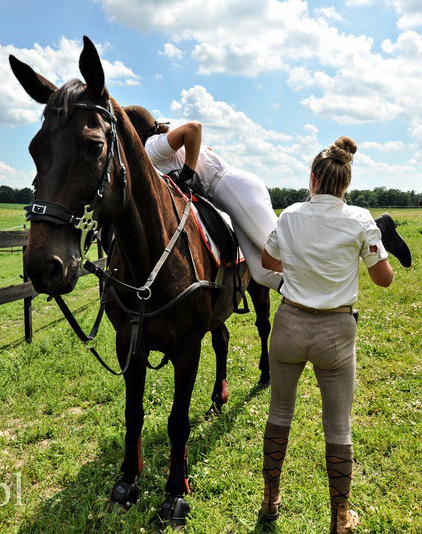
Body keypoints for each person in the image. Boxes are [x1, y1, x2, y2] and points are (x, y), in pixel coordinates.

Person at [258, 137, 393, 533]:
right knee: (338, 425)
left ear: (313, 179)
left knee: (279, 414)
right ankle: (339, 516)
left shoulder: (290, 215)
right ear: (346, 184)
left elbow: (269, 260)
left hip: (289, 325)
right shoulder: (360, 219)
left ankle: (269, 500)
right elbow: (383, 279)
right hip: (335, 331)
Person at [123, 105, 283, 290]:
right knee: (261, 272)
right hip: (226, 193)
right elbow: (206, 147)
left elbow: (194, 128)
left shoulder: (151, 147)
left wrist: (187, 172)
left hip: (231, 188)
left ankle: (320, 298)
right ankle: (303, 300)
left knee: (278, 252)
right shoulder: (157, 145)